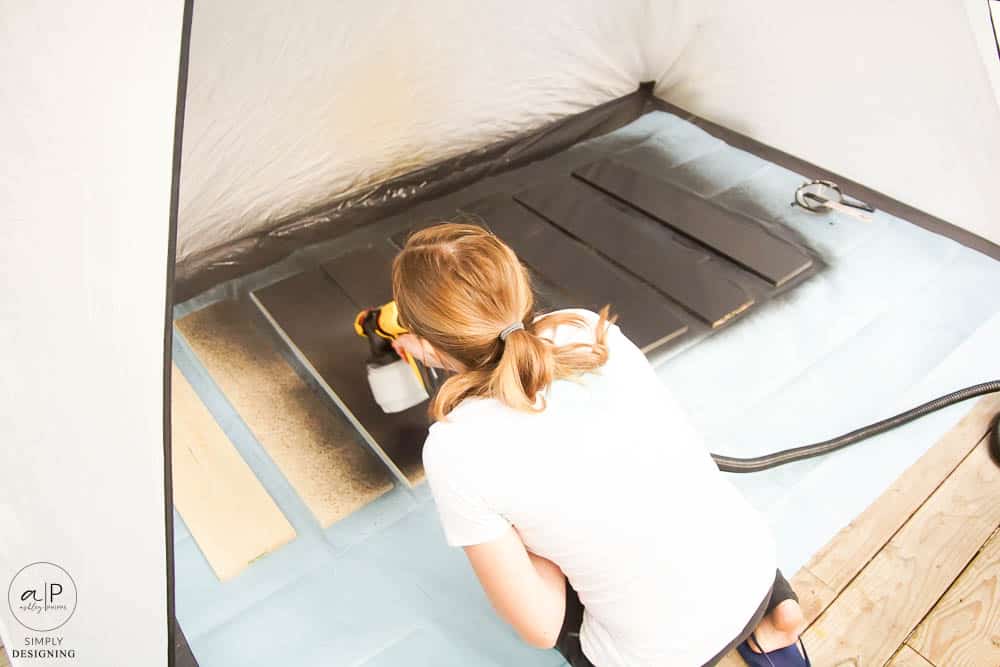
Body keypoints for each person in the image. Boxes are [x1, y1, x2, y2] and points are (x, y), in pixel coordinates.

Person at [390, 222, 810, 667]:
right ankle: (777, 614)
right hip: (752, 566)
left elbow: (539, 626)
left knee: (528, 549)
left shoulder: (453, 449)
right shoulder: (588, 330)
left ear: (431, 346)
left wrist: (533, 538)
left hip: (660, 652)